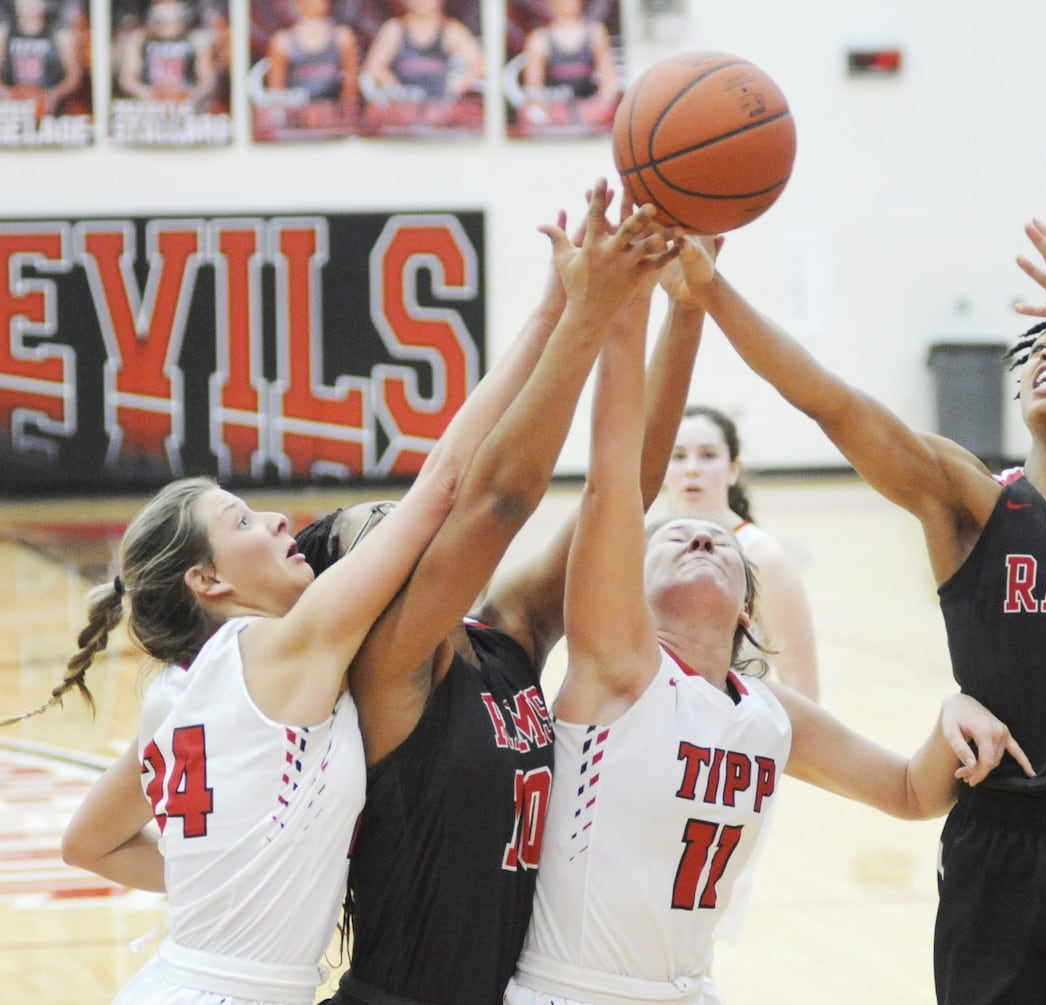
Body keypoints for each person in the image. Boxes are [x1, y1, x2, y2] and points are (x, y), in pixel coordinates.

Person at [47, 186, 660, 1005]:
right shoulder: (283, 650)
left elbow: (88, 841)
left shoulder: (177, 692)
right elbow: (446, 485)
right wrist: (558, 310)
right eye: (240, 517)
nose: (273, 519)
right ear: (209, 579)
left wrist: (234, 887)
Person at [672, 222, 1046, 1003]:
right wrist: (712, 293)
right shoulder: (971, 503)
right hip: (998, 840)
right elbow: (832, 402)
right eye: (1040, 346)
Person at [502, 229, 1032, 1005]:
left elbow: (911, 793)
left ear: (749, 604)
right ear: (626, 592)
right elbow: (614, 480)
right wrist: (636, 306)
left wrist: (950, 714)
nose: (699, 535)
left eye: (719, 540)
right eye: (674, 538)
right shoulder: (618, 673)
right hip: (573, 991)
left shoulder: (767, 715)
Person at [296, 185, 707, 1005]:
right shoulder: (390, 666)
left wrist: (681, 308)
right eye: (379, 535)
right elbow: (497, 503)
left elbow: (627, 489)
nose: (412, 530)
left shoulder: (506, 633)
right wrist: (589, 311)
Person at [662, 404, 821, 701]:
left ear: (733, 469)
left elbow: (802, 688)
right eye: (678, 456)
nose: (692, 468)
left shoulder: (763, 556)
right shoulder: (646, 548)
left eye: (708, 455)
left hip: (738, 739)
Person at [518, 0, 618, 130]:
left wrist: (600, 106)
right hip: (553, 111)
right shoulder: (539, 39)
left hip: (589, 108)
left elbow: (609, 83)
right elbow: (533, 89)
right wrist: (544, 112)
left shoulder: (596, 33)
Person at [361, 0, 481, 104]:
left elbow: (478, 64)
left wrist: (456, 87)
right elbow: (373, 68)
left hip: (442, 109)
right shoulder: (394, 29)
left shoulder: (452, 30)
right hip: (404, 110)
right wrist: (396, 89)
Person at [264, 0, 359, 114]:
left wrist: (346, 115)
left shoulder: (343, 37)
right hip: (297, 116)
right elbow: (276, 91)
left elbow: (351, 86)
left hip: (333, 114)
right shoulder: (283, 42)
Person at [117, 0, 217, 108]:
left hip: (186, 106)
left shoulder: (197, 40)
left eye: (172, 21)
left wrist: (188, 96)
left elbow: (207, 80)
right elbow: (127, 79)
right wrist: (151, 94)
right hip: (149, 107)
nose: (167, 26)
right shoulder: (139, 40)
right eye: (162, 21)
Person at [0, 0, 83, 117]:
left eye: (34, 2)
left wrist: (52, 95)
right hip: (13, 107)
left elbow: (74, 77)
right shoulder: (4, 31)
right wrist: (6, 92)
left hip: (51, 109)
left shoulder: (60, 34)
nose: (29, 7)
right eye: (24, 3)